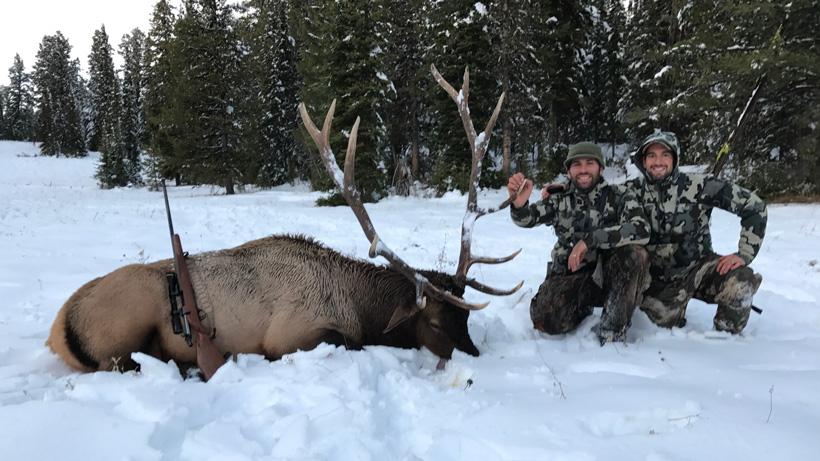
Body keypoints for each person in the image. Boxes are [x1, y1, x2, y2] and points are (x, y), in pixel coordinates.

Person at [508, 142, 650, 344]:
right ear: (568, 170)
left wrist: (590, 240)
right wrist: (519, 204)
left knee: (635, 254)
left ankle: (612, 331)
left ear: (600, 167)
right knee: (546, 320)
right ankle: (578, 307)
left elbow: (640, 228)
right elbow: (526, 219)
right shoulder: (559, 199)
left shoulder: (619, 196)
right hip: (571, 277)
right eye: (577, 164)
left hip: (611, 280)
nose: (583, 169)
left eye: (590, 163)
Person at [627, 131, 767, 334]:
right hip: (659, 279)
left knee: (740, 281)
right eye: (651, 155)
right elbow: (596, 199)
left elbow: (755, 207)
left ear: (674, 158)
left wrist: (744, 253)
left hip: (701, 268)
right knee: (658, 325)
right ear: (643, 161)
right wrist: (564, 192)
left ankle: (727, 339)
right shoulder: (630, 191)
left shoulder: (700, 185)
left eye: (665, 154)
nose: (658, 161)